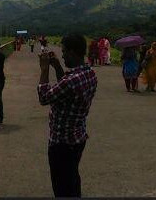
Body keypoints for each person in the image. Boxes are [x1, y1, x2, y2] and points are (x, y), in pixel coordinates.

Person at [37, 33, 97, 198]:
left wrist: (44, 70)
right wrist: (57, 67)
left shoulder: (70, 81)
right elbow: (68, 89)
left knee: (62, 188)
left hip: (61, 143)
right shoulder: (90, 74)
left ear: (72, 52)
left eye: (63, 52)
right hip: (77, 139)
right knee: (72, 180)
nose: (62, 55)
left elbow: (44, 98)